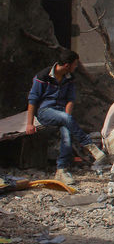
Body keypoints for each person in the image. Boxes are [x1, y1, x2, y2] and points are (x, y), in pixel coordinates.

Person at [26, 49, 107, 185]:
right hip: (45, 112)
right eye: (75, 65)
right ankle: (89, 145)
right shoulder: (42, 77)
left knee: (67, 138)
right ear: (67, 65)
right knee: (66, 121)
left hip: (62, 114)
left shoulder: (69, 79)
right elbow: (32, 100)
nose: (76, 68)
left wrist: (67, 118)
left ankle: (61, 170)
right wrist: (29, 123)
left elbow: (70, 100)